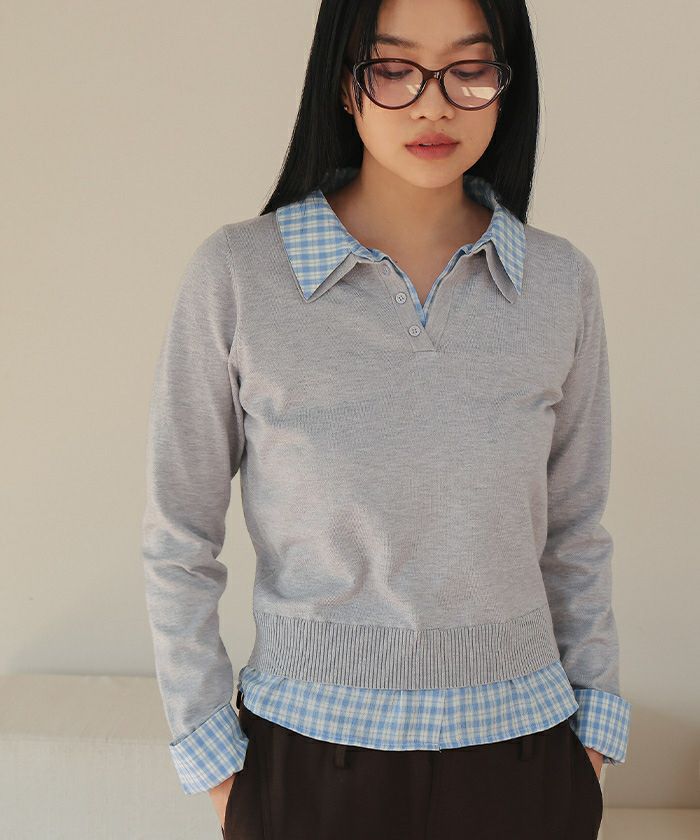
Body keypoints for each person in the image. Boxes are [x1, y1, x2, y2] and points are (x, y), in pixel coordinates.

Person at [140, 0, 631, 837]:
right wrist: (215, 762)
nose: (433, 104)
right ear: (345, 84)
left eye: (469, 69)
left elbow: (576, 532)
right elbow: (178, 535)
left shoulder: (560, 283)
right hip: (307, 760)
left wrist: (594, 738)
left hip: (526, 758)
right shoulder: (239, 274)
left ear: (507, 83)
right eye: (395, 69)